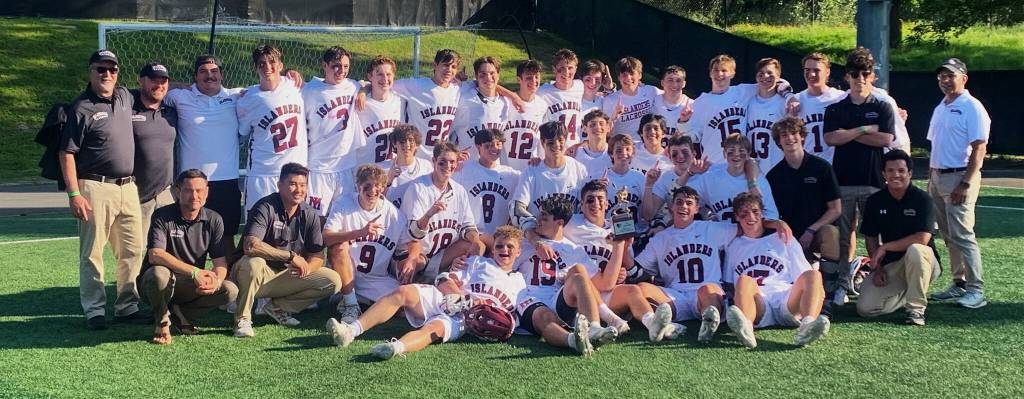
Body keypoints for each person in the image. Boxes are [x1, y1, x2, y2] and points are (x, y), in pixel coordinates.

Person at [326, 226, 528, 360]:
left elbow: (513, 321)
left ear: (519, 252)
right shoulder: (477, 262)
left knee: (433, 329)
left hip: (466, 320)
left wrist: (493, 319)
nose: (504, 250)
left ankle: (396, 348)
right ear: (493, 249)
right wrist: (460, 296)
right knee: (403, 292)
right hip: (451, 300)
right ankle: (350, 331)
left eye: (510, 247)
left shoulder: (520, 282)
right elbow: (444, 279)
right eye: (499, 245)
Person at [61, 49, 147, 329]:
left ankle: (127, 306)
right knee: (93, 252)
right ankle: (95, 310)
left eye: (112, 69)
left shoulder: (124, 96)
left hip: (128, 187)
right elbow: (67, 153)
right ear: (91, 72)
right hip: (94, 186)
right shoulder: (81, 107)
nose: (107, 74)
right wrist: (74, 194)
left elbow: (154, 87)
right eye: (101, 69)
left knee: (133, 250)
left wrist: (193, 87)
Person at [231, 163, 341, 337]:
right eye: (293, 184)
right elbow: (251, 245)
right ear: (279, 185)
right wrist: (290, 256)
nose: (299, 190)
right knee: (254, 262)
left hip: (285, 275)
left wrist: (307, 268)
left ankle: (278, 307)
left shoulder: (309, 213)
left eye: (303, 185)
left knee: (333, 280)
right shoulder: (265, 206)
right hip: (257, 274)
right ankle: (242, 319)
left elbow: (318, 255)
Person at [564, 180, 683, 340]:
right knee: (584, 275)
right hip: (582, 290)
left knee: (633, 290)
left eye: (600, 199)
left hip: (607, 290)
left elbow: (626, 265)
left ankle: (652, 324)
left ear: (607, 204)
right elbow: (548, 227)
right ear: (582, 205)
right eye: (590, 200)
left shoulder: (618, 226)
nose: (596, 204)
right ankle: (607, 320)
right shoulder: (571, 223)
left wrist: (623, 266)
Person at [515, 197, 629, 354]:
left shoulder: (573, 249)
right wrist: (534, 240)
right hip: (531, 297)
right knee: (545, 317)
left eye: (544, 217)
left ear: (560, 223)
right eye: (539, 215)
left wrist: (618, 247)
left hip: (558, 298)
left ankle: (594, 328)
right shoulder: (525, 242)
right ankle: (574, 341)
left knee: (579, 271)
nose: (538, 220)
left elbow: (604, 284)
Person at [823, 47, 896, 288]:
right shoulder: (836, 108)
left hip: (873, 180)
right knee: (844, 236)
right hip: (843, 181)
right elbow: (830, 138)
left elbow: (885, 139)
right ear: (847, 77)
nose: (860, 79)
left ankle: (880, 277)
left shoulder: (883, 106)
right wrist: (863, 129)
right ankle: (844, 281)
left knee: (875, 234)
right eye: (855, 74)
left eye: (865, 74)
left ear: (872, 76)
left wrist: (847, 134)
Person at [139, 169, 238, 345]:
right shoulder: (162, 215)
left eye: (199, 190)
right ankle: (162, 321)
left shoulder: (214, 219)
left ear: (206, 192)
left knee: (230, 290)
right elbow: (155, 255)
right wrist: (195, 272)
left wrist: (216, 280)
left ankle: (179, 314)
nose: (194, 196)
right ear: (178, 192)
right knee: (159, 274)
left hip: (190, 284)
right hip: (158, 283)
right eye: (188, 190)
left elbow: (220, 263)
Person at [724, 192, 830, 349]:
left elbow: (805, 276)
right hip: (758, 304)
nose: (751, 217)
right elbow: (730, 285)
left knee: (813, 274)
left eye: (755, 212)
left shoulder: (783, 237)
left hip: (786, 299)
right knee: (744, 280)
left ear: (762, 214)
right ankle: (746, 328)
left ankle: (807, 326)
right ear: (737, 217)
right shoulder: (734, 246)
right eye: (744, 214)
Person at [163, 55, 244, 260]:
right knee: (186, 237)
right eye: (203, 72)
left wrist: (291, 76)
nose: (210, 76)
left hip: (226, 181)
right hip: (191, 183)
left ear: (222, 75)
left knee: (226, 239)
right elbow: (157, 86)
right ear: (195, 76)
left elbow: (267, 89)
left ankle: (228, 279)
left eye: (214, 71)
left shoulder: (236, 96)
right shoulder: (180, 97)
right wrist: (184, 86)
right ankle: (187, 278)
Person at [926, 58, 991, 309]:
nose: (945, 80)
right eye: (941, 76)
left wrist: (965, 183)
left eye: (950, 76)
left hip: (959, 176)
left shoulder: (972, 107)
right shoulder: (941, 106)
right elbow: (936, 145)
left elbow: (979, 148)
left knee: (963, 234)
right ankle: (959, 282)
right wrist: (931, 178)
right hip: (938, 177)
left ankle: (976, 290)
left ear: (964, 78)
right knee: (949, 235)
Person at [857, 150, 941, 325]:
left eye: (901, 171)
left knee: (916, 250)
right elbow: (871, 237)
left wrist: (886, 247)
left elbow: (922, 239)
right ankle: (909, 295)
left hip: (924, 261)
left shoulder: (923, 199)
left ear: (909, 173)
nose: (896, 175)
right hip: (893, 264)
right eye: (890, 170)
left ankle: (916, 309)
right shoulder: (875, 200)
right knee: (866, 309)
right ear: (883, 174)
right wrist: (877, 268)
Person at [765, 117, 842, 299]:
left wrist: (811, 230)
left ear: (802, 137)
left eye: (794, 133)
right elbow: (771, 216)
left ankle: (829, 293)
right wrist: (789, 237)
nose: (790, 138)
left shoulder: (822, 167)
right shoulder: (774, 176)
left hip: (816, 232)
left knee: (831, 233)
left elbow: (836, 209)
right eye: (784, 135)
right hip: (789, 237)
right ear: (778, 141)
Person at [323, 164, 409, 322]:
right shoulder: (344, 203)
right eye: (367, 186)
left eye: (377, 186)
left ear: (383, 187)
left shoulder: (395, 216)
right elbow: (326, 238)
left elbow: (405, 251)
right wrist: (360, 233)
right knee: (339, 246)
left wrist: (409, 264)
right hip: (345, 273)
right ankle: (351, 304)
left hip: (376, 278)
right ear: (358, 186)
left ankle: (358, 300)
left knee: (404, 306)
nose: (372, 190)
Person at [396, 141, 485, 284]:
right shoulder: (419, 187)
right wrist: (429, 215)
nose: (448, 166)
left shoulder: (459, 190)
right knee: (411, 265)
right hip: (413, 251)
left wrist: (476, 241)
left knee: (473, 245)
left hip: (439, 255)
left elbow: (467, 226)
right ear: (434, 161)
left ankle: (457, 281)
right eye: (442, 162)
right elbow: (414, 234)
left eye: (452, 162)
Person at [236, 44, 308, 212]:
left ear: (281, 65)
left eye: (272, 62)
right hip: (263, 174)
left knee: (293, 225)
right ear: (255, 68)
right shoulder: (248, 99)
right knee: (257, 224)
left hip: (295, 174)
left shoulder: (296, 86)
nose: (267, 67)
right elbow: (242, 132)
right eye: (261, 64)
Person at [688, 54, 795, 164]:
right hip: (713, 163)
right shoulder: (700, 102)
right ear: (710, 73)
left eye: (724, 70)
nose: (719, 74)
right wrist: (683, 122)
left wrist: (789, 96)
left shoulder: (743, 91)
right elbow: (692, 136)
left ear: (732, 73)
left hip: (740, 164)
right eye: (716, 70)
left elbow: (777, 82)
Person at [301, 46, 363, 215]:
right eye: (336, 66)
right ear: (324, 65)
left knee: (343, 218)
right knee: (315, 219)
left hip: (346, 165)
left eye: (346, 66)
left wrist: (363, 91)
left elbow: (366, 85)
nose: (341, 71)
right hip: (319, 167)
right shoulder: (309, 91)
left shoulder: (353, 86)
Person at [511, 121, 590, 231]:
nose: (556, 145)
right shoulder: (531, 171)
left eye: (560, 140)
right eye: (551, 142)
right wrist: (530, 230)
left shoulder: (579, 169)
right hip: (541, 234)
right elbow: (516, 207)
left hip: (572, 235)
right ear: (542, 143)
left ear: (565, 140)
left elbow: (588, 205)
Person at [132, 63, 178, 244]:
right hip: (137, 195)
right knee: (137, 251)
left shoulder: (171, 112)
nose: (159, 85)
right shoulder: (127, 109)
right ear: (141, 81)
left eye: (163, 81)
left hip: (167, 195)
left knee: (169, 249)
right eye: (153, 80)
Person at [452, 128, 521, 246]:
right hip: (470, 234)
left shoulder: (511, 175)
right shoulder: (464, 168)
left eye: (498, 144)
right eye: (488, 145)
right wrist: (453, 159)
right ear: (478, 146)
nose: (494, 148)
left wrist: (536, 163)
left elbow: (533, 179)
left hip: (499, 238)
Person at [689, 133, 779, 222]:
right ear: (724, 154)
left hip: (750, 230)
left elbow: (771, 215)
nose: (736, 154)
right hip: (722, 230)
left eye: (741, 151)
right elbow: (687, 196)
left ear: (748, 154)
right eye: (731, 150)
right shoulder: (710, 178)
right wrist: (707, 216)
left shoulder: (759, 180)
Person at [392, 49, 463, 159]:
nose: (449, 70)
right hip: (417, 156)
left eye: (453, 67)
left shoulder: (457, 89)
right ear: (435, 65)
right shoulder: (417, 85)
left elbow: (480, 85)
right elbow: (386, 85)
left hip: (441, 158)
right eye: (445, 65)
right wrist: (365, 90)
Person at [450, 56, 510, 161]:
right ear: (476, 77)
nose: (488, 77)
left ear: (498, 75)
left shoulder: (506, 103)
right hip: (468, 165)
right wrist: (453, 153)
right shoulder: (464, 99)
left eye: (492, 73)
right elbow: (446, 130)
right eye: (483, 74)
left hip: (494, 167)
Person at [796, 52, 847, 163]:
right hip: (808, 164)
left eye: (816, 70)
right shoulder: (796, 100)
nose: (811, 74)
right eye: (807, 70)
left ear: (827, 72)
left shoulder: (840, 97)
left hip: (836, 164)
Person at [354, 55, 405, 165]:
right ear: (370, 76)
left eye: (388, 74)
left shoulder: (400, 100)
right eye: (380, 74)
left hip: (391, 169)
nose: (385, 79)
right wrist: (362, 91)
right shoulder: (359, 102)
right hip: (364, 170)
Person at [502, 60, 548, 170]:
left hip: (531, 168)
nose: (534, 81)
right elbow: (488, 85)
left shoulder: (542, 105)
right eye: (529, 77)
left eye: (536, 77)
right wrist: (513, 96)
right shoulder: (506, 101)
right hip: (506, 167)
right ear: (519, 79)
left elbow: (542, 137)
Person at [602, 56, 660, 140]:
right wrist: (614, 117)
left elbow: (670, 97)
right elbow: (605, 133)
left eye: (632, 73)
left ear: (639, 75)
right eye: (624, 74)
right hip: (624, 146)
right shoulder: (610, 100)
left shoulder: (651, 91)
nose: (628, 78)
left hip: (647, 145)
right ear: (619, 77)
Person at [746, 58, 788, 171]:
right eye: (761, 73)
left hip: (777, 167)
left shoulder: (784, 103)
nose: (765, 76)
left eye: (770, 73)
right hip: (752, 169)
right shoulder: (748, 102)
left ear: (778, 77)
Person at [538, 48, 585, 146]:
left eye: (570, 68)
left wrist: (610, 89)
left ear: (576, 69)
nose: (566, 72)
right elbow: (521, 97)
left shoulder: (580, 86)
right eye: (562, 68)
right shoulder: (543, 91)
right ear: (554, 69)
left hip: (574, 148)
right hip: (553, 148)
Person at [379, 124, 433, 209]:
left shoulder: (426, 166)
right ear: (395, 144)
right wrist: (388, 181)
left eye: (411, 140)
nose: (407, 145)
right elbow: (376, 202)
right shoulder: (383, 169)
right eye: (402, 141)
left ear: (416, 144)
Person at [653, 65, 694, 137]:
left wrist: (683, 122)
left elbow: (693, 137)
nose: (674, 84)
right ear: (662, 83)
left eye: (678, 80)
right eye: (670, 80)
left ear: (684, 84)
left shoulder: (692, 105)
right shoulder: (653, 101)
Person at [572, 110, 613, 177]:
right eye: (592, 125)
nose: (597, 127)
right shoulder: (575, 155)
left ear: (608, 128)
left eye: (601, 124)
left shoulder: (615, 153)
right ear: (584, 129)